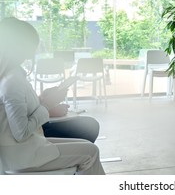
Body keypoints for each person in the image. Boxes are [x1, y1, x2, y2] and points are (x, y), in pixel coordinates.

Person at [0, 17, 105, 174]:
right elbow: (20, 133)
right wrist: (47, 105)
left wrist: (41, 100)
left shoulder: (10, 75)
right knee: (91, 152)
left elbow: (17, 111)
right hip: (23, 155)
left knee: (86, 144)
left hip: (22, 150)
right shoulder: (13, 80)